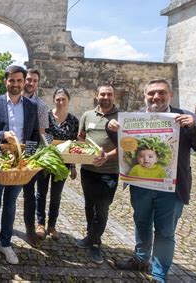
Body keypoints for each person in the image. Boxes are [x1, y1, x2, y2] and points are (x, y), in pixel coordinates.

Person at [108, 79, 196, 282]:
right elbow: (124, 146)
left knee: (165, 232)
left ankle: (159, 275)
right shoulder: (134, 118)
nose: (156, 97)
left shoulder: (186, 118)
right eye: (152, 93)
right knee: (142, 222)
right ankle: (140, 260)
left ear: (170, 95)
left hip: (171, 188)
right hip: (140, 185)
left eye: (162, 93)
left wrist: (194, 127)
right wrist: (111, 128)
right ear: (145, 96)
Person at [0, 65, 39, 266]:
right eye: (12, 80)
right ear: (6, 82)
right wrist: (2, 135)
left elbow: (34, 137)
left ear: (23, 82)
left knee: (11, 206)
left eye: (19, 81)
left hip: (19, 165)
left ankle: (5, 243)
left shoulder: (31, 106)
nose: (16, 84)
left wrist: (26, 160)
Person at [76, 84, 119, 265]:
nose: (106, 97)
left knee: (101, 210)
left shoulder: (120, 118)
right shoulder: (87, 115)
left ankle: (95, 243)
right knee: (89, 206)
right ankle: (90, 236)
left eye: (109, 94)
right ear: (97, 96)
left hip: (109, 172)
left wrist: (107, 156)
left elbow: (128, 145)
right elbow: (81, 137)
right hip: (88, 170)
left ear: (114, 97)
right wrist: (84, 152)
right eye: (103, 94)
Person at [36, 88, 79, 240]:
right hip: (46, 160)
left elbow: (74, 145)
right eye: (58, 99)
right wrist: (51, 150)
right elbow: (42, 135)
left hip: (63, 164)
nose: (60, 102)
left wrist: (73, 166)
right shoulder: (46, 116)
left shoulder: (74, 121)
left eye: (64, 99)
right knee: (41, 193)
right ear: (54, 100)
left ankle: (52, 225)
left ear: (68, 101)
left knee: (56, 195)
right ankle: (40, 224)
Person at [20, 68, 49, 245]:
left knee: (30, 194)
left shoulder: (41, 105)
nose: (30, 83)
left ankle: (30, 229)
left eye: (34, 81)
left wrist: (34, 155)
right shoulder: (12, 99)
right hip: (10, 150)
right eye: (28, 79)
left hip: (30, 152)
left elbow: (43, 134)